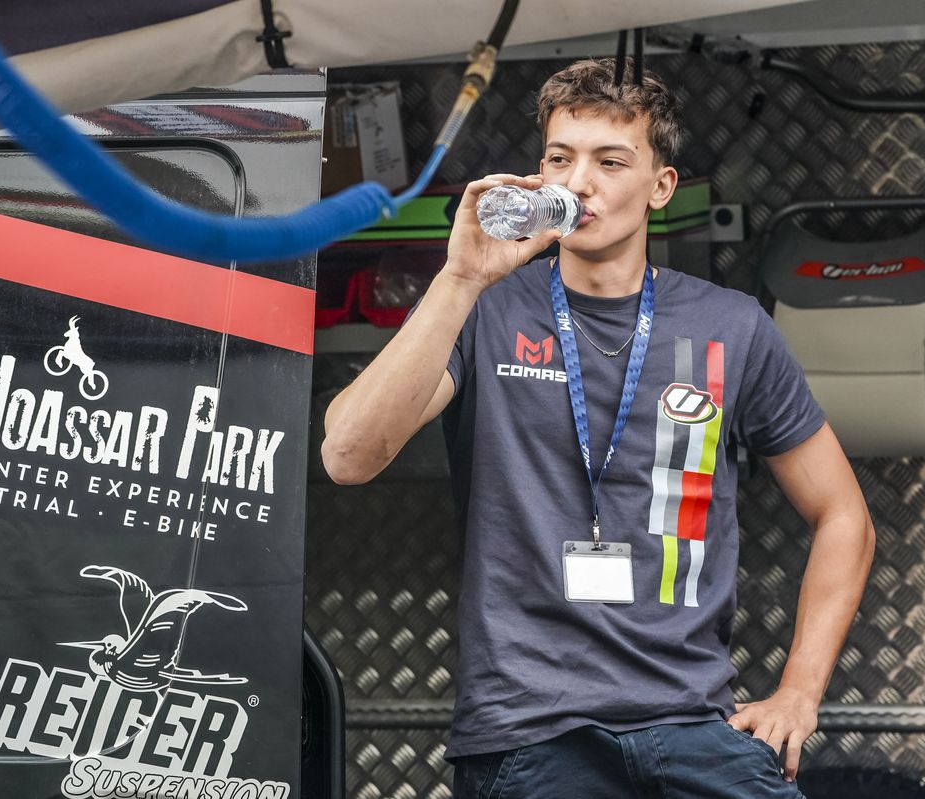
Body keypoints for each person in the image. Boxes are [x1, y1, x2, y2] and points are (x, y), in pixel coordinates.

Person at [322, 57, 875, 799]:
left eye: (610, 162)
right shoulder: (486, 309)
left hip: (694, 725)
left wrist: (800, 693)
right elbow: (348, 455)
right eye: (560, 158)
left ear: (660, 187)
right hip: (531, 731)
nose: (579, 182)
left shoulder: (730, 325)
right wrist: (459, 279)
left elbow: (843, 515)